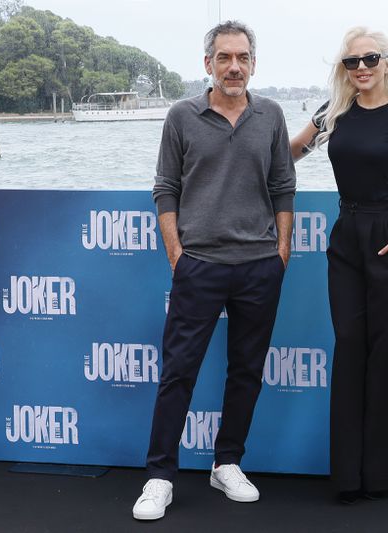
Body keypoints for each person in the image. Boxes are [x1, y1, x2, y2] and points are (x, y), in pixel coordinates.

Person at [133, 20, 296, 521]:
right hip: (199, 265)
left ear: (252, 63)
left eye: (242, 57)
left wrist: (281, 252)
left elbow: (282, 187)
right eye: (224, 57)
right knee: (178, 372)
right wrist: (177, 253)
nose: (234, 66)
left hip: (258, 266)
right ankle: (160, 475)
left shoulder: (270, 115)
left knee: (246, 372)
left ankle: (227, 462)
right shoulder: (181, 115)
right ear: (208, 64)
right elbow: (165, 188)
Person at [290, 27, 388, 504]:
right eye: (352, 62)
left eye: (370, 58)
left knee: (387, 355)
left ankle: (379, 476)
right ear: (343, 69)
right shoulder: (334, 115)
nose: (362, 67)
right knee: (350, 347)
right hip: (347, 236)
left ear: (387, 62)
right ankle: (347, 477)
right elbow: (288, 153)